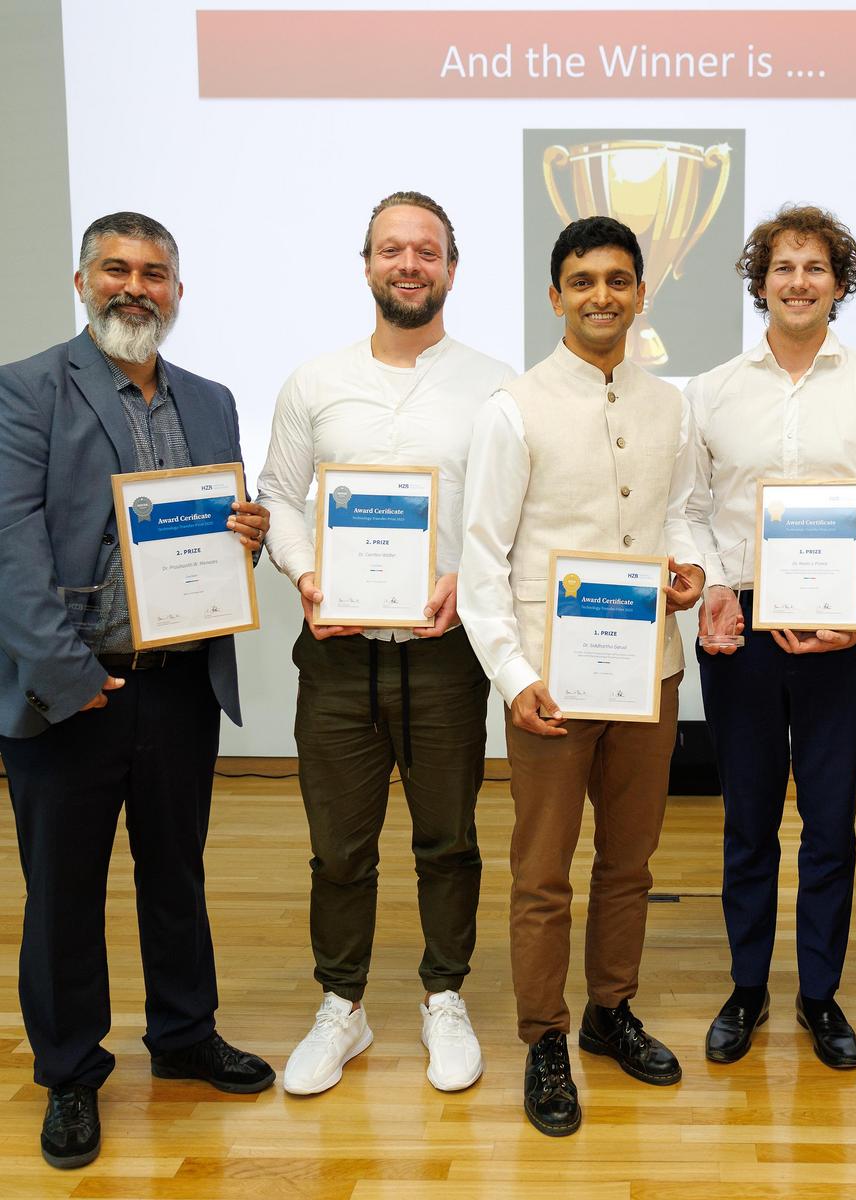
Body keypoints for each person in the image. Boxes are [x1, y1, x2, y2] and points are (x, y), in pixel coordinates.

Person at [0, 211, 275, 1170]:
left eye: (155, 273)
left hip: (180, 681)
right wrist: (70, 679)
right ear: (81, 283)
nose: (135, 287)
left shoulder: (211, 397)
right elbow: (11, 552)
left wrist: (247, 528)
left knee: (176, 873)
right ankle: (71, 1071)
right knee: (64, 893)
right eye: (115, 269)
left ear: (178, 293)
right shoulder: (28, 389)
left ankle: (185, 1034)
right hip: (73, 690)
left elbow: (222, 523)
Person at [258, 191, 514, 1097]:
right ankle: (345, 1007)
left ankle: (445, 994)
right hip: (335, 651)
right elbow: (281, 496)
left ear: (451, 267)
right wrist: (304, 574)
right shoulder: (314, 382)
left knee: (447, 839)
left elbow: (504, 517)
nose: (410, 265)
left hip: (446, 653)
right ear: (366, 263)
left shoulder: (495, 383)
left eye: (427, 252)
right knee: (339, 847)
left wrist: (466, 582)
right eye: (392, 250)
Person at [458, 215, 705, 1136]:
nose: (601, 295)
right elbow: (481, 558)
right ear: (555, 294)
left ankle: (609, 1011)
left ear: (642, 292)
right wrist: (513, 675)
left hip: (651, 674)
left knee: (631, 862)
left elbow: (681, 514)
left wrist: (691, 570)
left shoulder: (670, 404)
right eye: (582, 280)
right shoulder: (512, 407)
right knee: (542, 873)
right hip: (548, 686)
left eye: (617, 279)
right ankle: (545, 1036)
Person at [685, 205, 856, 1068]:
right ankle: (747, 987)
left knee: (829, 825)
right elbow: (691, 511)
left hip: (843, 640)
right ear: (759, 282)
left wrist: (855, 612)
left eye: (816, 267)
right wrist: (714, 587)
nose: (798, 281)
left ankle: (819, 994)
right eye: (783, 266)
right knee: (748, 823)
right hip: (741, 635)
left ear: (840, 282)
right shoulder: (710, 391)